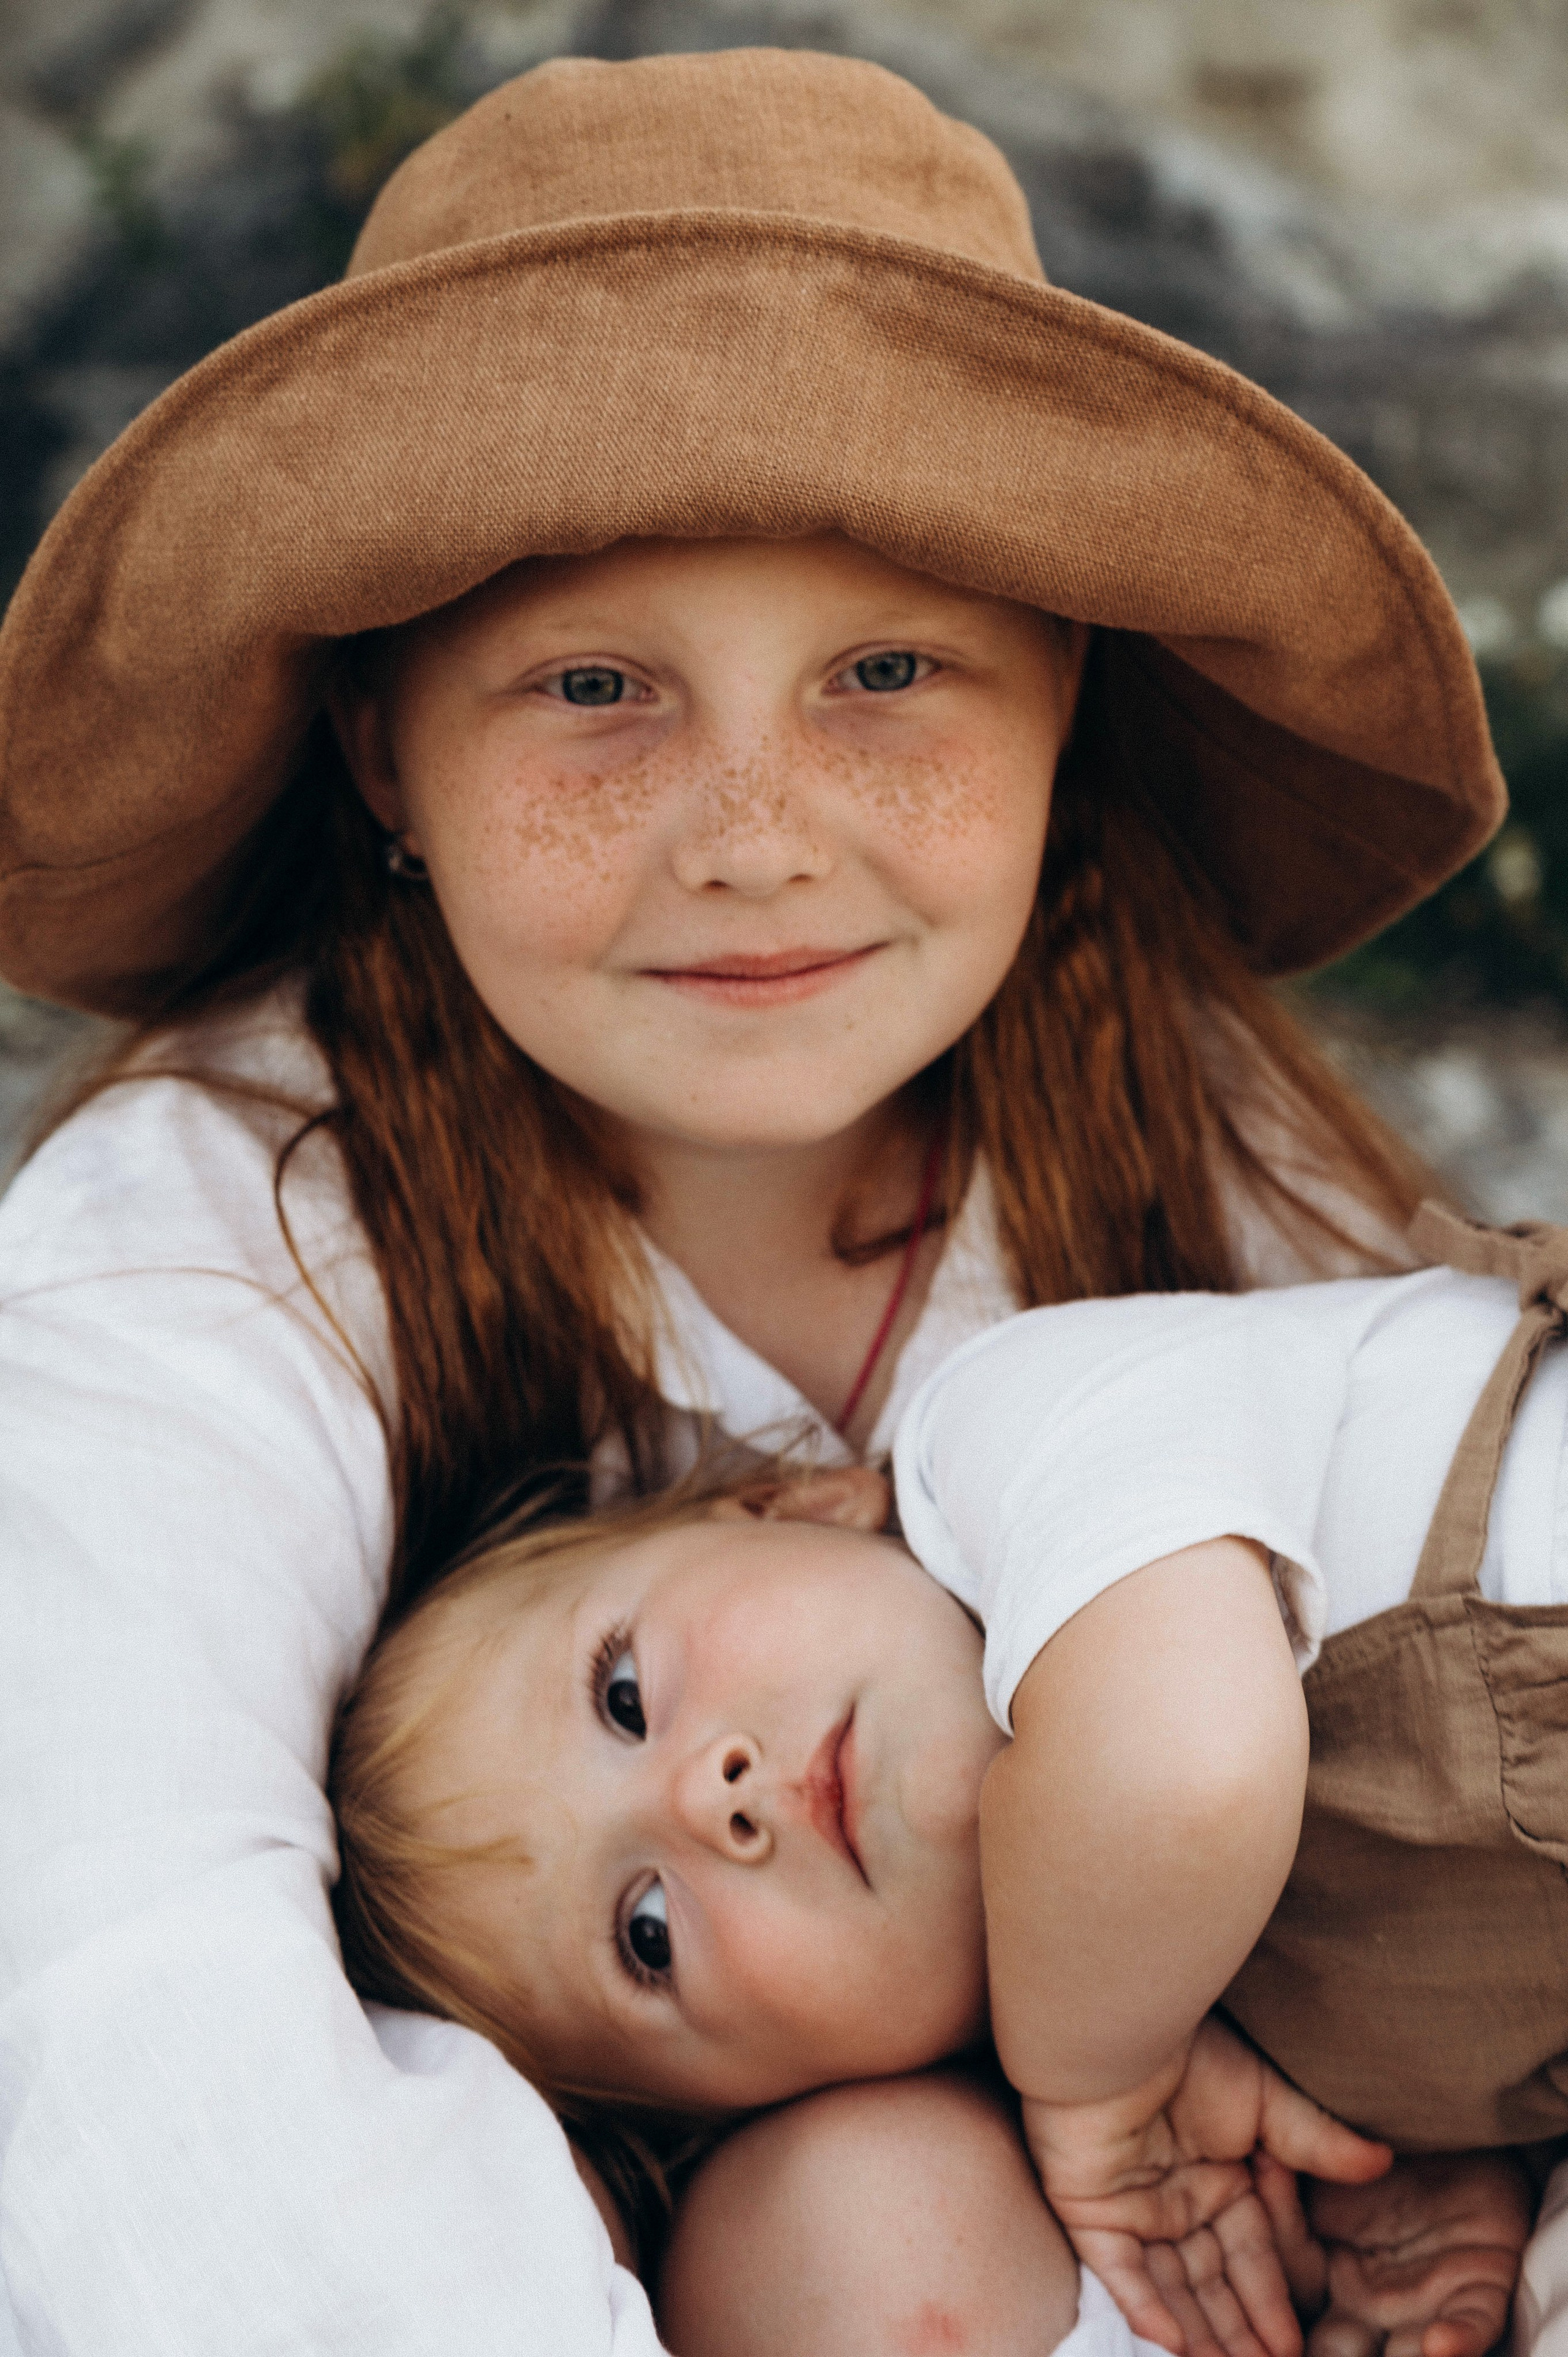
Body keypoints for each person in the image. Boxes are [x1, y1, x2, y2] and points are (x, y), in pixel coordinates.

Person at [0, 40, 1514, 2357]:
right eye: (596, 686)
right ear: (385, 745)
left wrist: (1458, 2173)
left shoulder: (1169, 1114)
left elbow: (1471, 1691)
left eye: (889, 671)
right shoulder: (207, 1241)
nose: (755, 833)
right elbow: (119, 2021)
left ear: (1060, 707)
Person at [329, 1200, 1566, 2357]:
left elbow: (1182, 1772)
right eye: (645, 1933)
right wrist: (1443, 2152)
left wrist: (1095, 2087)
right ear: (760, 2092)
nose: (714, 1797)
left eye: (624, 1695)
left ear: (789, 1503)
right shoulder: (1189, 2014)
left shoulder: (1002, 1439)